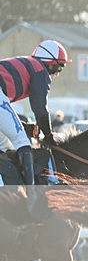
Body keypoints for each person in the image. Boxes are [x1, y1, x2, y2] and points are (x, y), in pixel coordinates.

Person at [0, 39, 70, 214]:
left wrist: (28, 126)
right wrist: (48, 136)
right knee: (21, 141)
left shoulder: (28, 64)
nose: (58, 73)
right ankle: (31, 197)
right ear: (51, 64)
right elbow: (40, 109)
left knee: (2, 144)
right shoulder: (40, 70)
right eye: (59, 67)